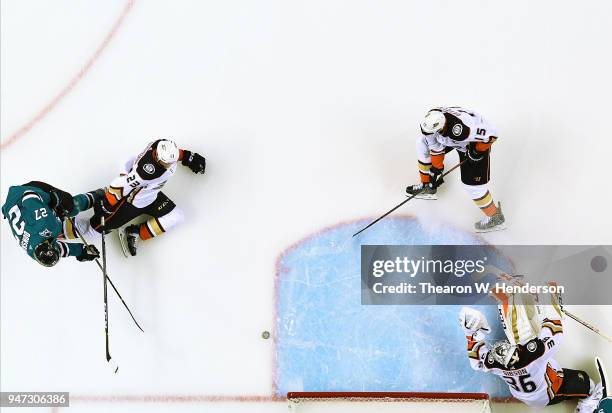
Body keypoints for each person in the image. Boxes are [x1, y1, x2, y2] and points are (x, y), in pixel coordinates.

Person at [71, 139, 206, 257]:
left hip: (151, 196)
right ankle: (56, 230)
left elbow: (174, 153)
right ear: (159, 160)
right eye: (167, 163)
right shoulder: (147, 172)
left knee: (177, 216)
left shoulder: (161, 144)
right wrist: (107, 203)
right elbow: (120, 186)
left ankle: (134, 232)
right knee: (93, 231)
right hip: (130, 203)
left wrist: (186, 156)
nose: (170, 165)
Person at [460, 306, 603, 411]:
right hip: (547, 395)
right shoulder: (533, 357)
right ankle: (587, 408)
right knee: (586, 383)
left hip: (525, 395)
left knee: (547, 368)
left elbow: (476, 361)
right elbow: (555, 332)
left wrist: (471, 332)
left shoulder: (495, 364)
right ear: (517, 354)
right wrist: (550, 304)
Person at [406, 106, 506, 232]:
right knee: (421, 142)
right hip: (453, 139)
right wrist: (436, 170)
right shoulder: (430, 122)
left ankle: (495, 217)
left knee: (472, 187)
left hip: (472, 142)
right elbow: (435, 146)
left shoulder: (462, 130)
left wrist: (477, 150)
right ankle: (427, 186)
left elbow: (493, 133)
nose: (430, 135)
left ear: (442, 127)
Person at [2, 181, 102, 266]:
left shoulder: (46, 224)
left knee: (69, 206)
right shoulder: (33, 252)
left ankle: (101, 195)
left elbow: (28, 196)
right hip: (21, 211)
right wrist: (80, 251)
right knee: (62, 225)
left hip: (25, 192)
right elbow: (58, 249)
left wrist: (52, 198)